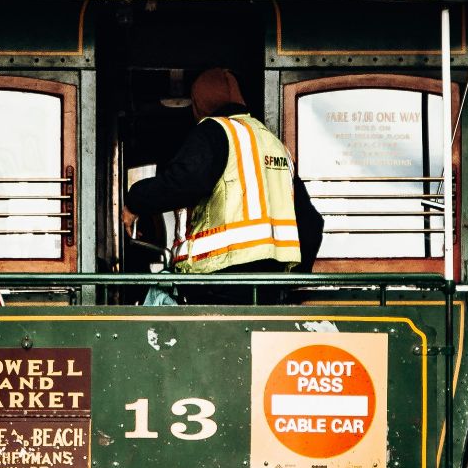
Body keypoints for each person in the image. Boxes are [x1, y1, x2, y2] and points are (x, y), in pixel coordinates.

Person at [122, 68, 324, 304]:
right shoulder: (274, 143)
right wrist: (294, 281)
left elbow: (184, 182)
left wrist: (135, 202)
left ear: (198, 106)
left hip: (221, 282)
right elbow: (311, 223)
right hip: (270, 287)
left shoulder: (213, 131)